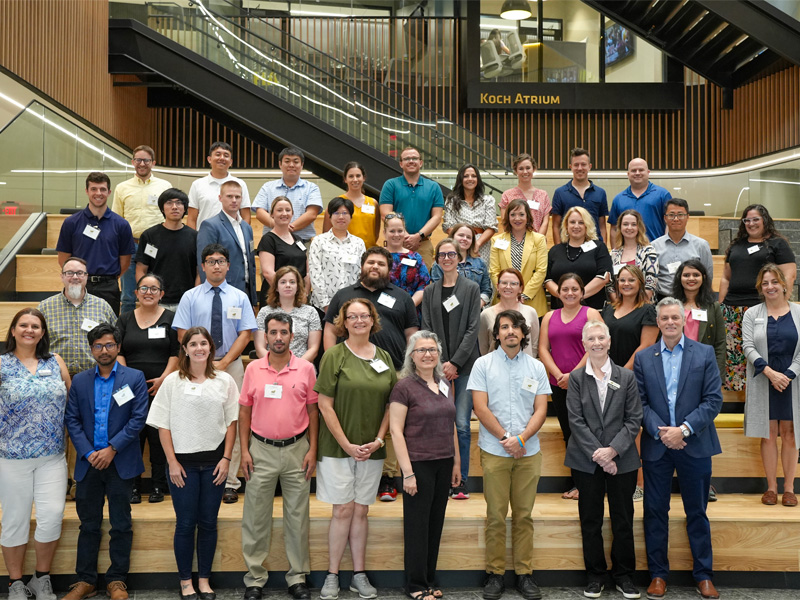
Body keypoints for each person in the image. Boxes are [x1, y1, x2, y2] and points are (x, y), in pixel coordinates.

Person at [633, 298, 723, 600]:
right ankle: (658, 575)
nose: (670, 323)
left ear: (683, 320)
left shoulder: (705, 353)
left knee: (697, 512)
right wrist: (663, 433)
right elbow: (640, 404)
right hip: (657, 447)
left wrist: (682, 430)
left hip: (694, 444)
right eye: (664, 318)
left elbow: (713, 400)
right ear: (657, 322)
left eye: (675, 317)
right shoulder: (645, 358)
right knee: (654, 511)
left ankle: (704, 575)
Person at [146, 326, 238, 600]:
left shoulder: (224, 381)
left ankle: (205, 580)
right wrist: (172, 463)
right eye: (193, 344)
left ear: (211, 348)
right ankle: (186, 581)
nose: (199, 348)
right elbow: (162, 426)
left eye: (204, 343)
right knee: (186, 523)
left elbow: (232, 422)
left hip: (214, 464)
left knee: (209, 523)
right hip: (182, 467)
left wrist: (226, 458)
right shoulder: (173, 381)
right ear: (184, 349)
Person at [315, 299, 396, 600]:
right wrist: (347, 445)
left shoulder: (385, 357)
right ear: (344, 322)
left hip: (372, 448)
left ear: (373, 320)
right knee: (343, 510)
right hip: (338, 449)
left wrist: (378, 439)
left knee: (361, 510)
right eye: (353, 317)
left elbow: (391, 404)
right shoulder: (334, 356)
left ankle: (358, 575)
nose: (359, 321)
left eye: (364, 316)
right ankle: (333, 575)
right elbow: (325, 405)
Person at [323, 247, 419, 501]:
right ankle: (351, 459)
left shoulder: (402, 297)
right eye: (370, 262)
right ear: (362, 266)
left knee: (391, 422)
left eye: (381, 264)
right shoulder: (344, 295)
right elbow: (331, 331)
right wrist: (332, 360)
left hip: (395, 370)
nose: (375, 267)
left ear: (389, 270)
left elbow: (412, 336)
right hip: (349, 369)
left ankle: (387, 478)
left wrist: (410, 371)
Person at [63, 323, 149, 600]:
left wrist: (112, 449)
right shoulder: (80, 381)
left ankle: (116, 580)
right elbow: (72, 421)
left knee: (121, 523)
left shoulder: (134, 377)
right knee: (88, 524)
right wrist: (89, 453)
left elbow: (138, 419)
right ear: (91, 350)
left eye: (109, 344)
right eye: (98, 346)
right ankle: (85, 580)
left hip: (120, 461)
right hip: (89, 463)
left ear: (118, 347)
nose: (104, 350)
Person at [469, 310, 549, 600]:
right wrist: (506, 438)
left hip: (529, 452)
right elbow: (480, 407)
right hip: (495, 450)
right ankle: (495, 574)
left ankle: (525, 574)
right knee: (495, 515)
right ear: (497, 333)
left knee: (524, 515)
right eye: (504, 327)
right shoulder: (483, 365)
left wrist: (522, 438)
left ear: (523, 333)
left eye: (515, 327)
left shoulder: (537, 367)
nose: (510, 331)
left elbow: (541, 409)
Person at [239, 313, 319, 600]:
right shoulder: (253, 370)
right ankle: (254, 579)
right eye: (273, 332)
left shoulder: (307, 369)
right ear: (266, 335)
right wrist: (244, 451)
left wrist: (313, 448)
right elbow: (244, 411)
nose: (278, 338)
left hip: (298, 449)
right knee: (255, 516)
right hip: (260, 450)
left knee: (297, 516)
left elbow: (313, 411)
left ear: (292, 335)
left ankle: (297, 577)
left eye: (283, 332)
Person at [172, 244, 258, 504]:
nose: (216, 265)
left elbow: (246, 333)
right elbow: (182, 334)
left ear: (228, 265)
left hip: (230, 367)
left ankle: (231, 481)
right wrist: (205, 362)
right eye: (211, 261)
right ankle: (201, 475)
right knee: (201, 418)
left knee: (235, 420)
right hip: (196, 367)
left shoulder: (240, 297)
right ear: (203, 266)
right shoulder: (190, 296)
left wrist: (224, 362)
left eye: (221, 261)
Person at [564, 320, 642, 600]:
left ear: (609, 342)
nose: (596, 343)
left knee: (623, 519)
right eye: (591, 339)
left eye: (601, 338)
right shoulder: (575, 379)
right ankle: (595, 575)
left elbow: (634, 420)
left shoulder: (626, 377)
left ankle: (624, 576)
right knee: (590, 519)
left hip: (622, 459)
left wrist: (613, 452)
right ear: (583, 344)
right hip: (586, 460)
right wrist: (599, 454)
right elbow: (575, 420)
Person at [0, 308, 70, 600]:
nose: (30, 330)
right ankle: (15, 582)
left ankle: (41, 578)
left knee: (52, 515)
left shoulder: (54, 361)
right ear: (13, 330)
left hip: (52, 456)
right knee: (15, 519)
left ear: (43, 332)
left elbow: (71, 398)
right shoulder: (1, 364)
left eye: (36, 326)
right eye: (24, 325)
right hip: (11, 457)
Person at [389, 331, 460, 600]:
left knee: (435, 524)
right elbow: (396, 431)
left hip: (444, 463)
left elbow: (452, 423)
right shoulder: (404, 387)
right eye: (421, 350)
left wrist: (456, 462)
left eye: (432, 349)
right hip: (418, 464)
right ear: (411, 356)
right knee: (417, 527)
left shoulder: (444, 384)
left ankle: (430, 578)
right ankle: (416, 584)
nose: (427, 354)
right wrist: (407, 473)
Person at [421, 238, 481, 499]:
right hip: (436, 368)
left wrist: (455, 362)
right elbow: (426, 329)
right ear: (436, 259)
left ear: (459, 257)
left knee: (462, 424)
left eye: (451, 254)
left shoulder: (471, 288)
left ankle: (462, 481)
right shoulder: (430, 291)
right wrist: (442, 363)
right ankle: (444, 478)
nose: (447, 258)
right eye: (442, 255)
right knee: (440, 423)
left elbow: (472, 328)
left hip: (465, 366)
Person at [116, 273, 180, 504]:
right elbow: (118, 351)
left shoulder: (171, 318)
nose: (148, 293)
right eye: (144, 288)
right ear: (136, 293)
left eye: (154, 289)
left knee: (157, 436)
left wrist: (164, 378)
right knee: (133, 436)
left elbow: (176, 352)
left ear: (162, 294)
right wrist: (128, 379)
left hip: (161, 388)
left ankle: (157, 485)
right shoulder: (124, 319)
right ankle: (133, 486)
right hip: (130, 390)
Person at [720, 204, 797, 391]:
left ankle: (765, 391)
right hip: (732, 310)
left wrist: (778, 303)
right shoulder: (736, 245)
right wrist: (721, 304)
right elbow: (725, 277)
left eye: (756, 219)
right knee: (735, 356)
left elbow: (789, 275)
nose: (751, 223)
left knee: (760, 353)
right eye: (747, 220)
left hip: (762, 308)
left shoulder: (778, 244)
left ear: (765, 220)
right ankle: (738, 400)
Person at [539, 274, 602, 500]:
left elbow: (598, 345)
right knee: (569, 433)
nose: (570, 293)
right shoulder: (549, 316)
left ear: (582, 292)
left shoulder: (591, 314)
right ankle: (579, 482)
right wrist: (557, 374)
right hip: (558, 384)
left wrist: (573, 374)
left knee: (589, 432)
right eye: (565, 289)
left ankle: (594, 481)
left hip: (586, 382)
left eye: (575, 289)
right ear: (558, 292)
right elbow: (543, 349)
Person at [742, 264, 800, 507]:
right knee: (767, 434)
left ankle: (789, 489)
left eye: (774, 282)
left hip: (792, 381)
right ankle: (771, 488)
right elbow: (747, 346)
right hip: (763, 378)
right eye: (765, 283)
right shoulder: (752, 313)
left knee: (790, 434)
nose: (770, 286)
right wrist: (769, 372)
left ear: (784, 284)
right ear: (760, 288)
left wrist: (788, 374)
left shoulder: (798, 312)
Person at [56, 172, 136, 314]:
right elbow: (63, 259)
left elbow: (125, 261)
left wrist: (109, 278)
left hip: (108, 287)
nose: (98, 193)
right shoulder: (71, 223)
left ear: (109, 192)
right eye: (93, 189)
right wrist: (78, 276)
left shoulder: (121, 224)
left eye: (102, 189)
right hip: (78, 284)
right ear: (86, 191)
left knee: (108, 330)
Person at [111, 145, 172, 315]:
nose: (142, 163)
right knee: (128, 296)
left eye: (146, 160)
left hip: (157, 246)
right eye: (138, 160)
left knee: (157, 292)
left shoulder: (164, 186)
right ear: (133, 162)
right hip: (131, 246)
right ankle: (125, 336)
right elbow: (117, 219)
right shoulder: (122, 188)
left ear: (153, 162)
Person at [38, 256, 118, 377]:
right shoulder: (45, 307)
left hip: (94, 377)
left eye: (80, 273)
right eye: (69, 273)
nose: (75, 277)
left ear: (86, 276)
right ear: (62, 277)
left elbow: (116, 340)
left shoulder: (102, 306)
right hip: (55, 377)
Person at [379, 146, 444, 267]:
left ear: (421, 162)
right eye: (407, 158)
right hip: (396, 243)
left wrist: (418, 236)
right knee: (392, 280)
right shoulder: (390, 185)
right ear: (401, 163)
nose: (411, 161)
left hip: (423, 245)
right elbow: (385, 214)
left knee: (424, 283)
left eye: (414, 158)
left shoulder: (434, 187)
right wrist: (406, 236)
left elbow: (437, 216)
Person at [135, 188, 199, 311]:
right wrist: (146, 294)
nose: (174, 207)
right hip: (156, 301)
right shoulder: (149, 236)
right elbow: (141, 269)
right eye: (169, 203)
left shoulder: (195, 237)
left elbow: (199, 272)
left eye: (179, 203)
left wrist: (194, 297)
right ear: (162, 208)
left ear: (185, 208)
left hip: (185, 302)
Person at [197, 180, 257, 306]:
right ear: (220, 198)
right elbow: (204, 262)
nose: (234, 200)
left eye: (237, 197)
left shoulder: (247, 227)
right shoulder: (210, 225)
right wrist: (211, 292)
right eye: (229, 196)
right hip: (221, 290)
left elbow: (250, 262)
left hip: (246, 290)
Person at [489, 198, 549, 318]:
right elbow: (494, 271)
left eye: (521, 214)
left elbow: (541, 271)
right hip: (504, 302)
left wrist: (524, 295)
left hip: (532, 302)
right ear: (507, 217)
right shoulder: (497, 240)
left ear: (528, 217)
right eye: (513, 215)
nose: (517, 218)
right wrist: (508, 293)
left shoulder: (539, 239)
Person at [545, 206, 612, 311]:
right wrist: (565, 297)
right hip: (560, 311)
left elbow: (604, 277)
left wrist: (576, 296)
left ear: (587, 226)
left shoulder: (599, 247)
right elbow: (547, 280)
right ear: (566, 225)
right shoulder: (555, 250)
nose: (576, 226)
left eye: (581, 222)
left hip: (593, 310)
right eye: (572, 222)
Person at [252, 147, 323, 245]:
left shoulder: (311, 188)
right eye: (287, 161)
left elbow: (312, 214)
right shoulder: (268, 187)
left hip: (302, 242)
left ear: (302, 165)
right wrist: (280, 227)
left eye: (296, 161)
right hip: (273, 241)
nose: (291, 165)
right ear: (280, 164)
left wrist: (288, 228)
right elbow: (260, 212)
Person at [308, 197, 367, 312]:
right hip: (322, 306)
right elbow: (315, 274)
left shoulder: (358, 243)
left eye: (345, 213)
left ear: (351, 217)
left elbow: (362, 274)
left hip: (352, 306)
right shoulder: (319, 241)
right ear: (329, 216)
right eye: (336, 213)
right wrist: (326, 305)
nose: (341, 217)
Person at [671, 260, 726, 380]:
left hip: (704, 366)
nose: (691, 278)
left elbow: (720, 343)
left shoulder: (713, 307)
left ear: (704, 278)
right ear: (680, 278)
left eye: (696, 275)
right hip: (675, 364)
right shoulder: (671, 306)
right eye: (686, 275)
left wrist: (718, 374)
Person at [254, 266, 321, 363]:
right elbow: (260, 349)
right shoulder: (265, 312)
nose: (288, 285)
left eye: (292, 282)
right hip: (271, 368)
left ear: (298, 286)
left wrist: (295, 366)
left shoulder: (310, 312)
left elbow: (313, 349)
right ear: (276, 287)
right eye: (283, 282)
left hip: (301, 368)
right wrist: (277, 365)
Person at [651, 198, 713, 301]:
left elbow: (708, 276)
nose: (676, 219)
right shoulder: (654, 246)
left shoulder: (701, 245)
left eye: (680, 215)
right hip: (663, 300)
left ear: (688, 217)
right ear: (665, 218)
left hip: (693, 301)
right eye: (671, 215)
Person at [256, 196, 310, 308]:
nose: (284, 213)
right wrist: (288, 295)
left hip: (299, 299)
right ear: (272, 214)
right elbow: (268, 273)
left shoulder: (298, 240)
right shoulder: (268, 240)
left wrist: (304, 293)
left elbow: (307, 273)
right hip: (276, 299)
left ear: (292, 213)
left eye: (288, 210)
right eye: (279, 210)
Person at [601, 265, 658, 370]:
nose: (626, 284)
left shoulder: (648, 310)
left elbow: (647, 345)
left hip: (634, 372)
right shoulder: (608, 309)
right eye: (622, 280)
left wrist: (623, 373)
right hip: (606, 371)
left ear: (640, 283)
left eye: (631, 280)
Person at [187, 141, 252, 230]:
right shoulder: (197, 184)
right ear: (209, 159)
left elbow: (246, 216)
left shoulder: (240, 184)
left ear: (231, 162)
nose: (222, 158)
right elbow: (191, 219)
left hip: (232, 238)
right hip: (205, 237)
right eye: (218, 154)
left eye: (226, 155)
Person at [441, 164, 497, 265]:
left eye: (474, 176)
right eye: (466, 176)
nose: (470, 179)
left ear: (478, 179)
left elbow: (491, 227)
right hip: (458, 245)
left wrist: (476, 245)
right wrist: (463, 243)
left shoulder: (488, 200)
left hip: (482, 245)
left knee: (480, 274)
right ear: (460, 179)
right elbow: (448, 226)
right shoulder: (451, 200)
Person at [551, 148, 608, 244]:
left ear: (589, 166)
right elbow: (556, 226)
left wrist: (603, 249)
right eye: (576, 165)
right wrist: (558, 251)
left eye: (583, 164)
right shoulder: (560, 193)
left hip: (594, 248)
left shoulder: (600, 193)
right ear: (571, 167)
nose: (580, 168)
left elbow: (602, 226)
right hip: (568, 248)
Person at [608, 158, 672, 243]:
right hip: (628, 252)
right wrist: (616, 252)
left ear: (648, 172)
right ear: (628, 174)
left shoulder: (663, 195)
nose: (637, 173)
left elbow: (670, 223)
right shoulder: (618, 199)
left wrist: (664, 247)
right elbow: (614, 229)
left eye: (641, 170)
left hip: (656, 251)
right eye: (634, 170)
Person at [479, 268, 539, 357]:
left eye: (513, 284)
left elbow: (534, 345)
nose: (508, 286)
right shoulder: (486, 314)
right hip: (495, 367)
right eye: (504, 283)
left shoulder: (530, 312)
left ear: (520, 288)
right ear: (498, 287)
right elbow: (484, 347)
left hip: (524, 367)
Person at [432, 223, 493, 308]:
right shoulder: (440, 263)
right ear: (452, 237)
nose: (464, 239)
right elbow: (439, 292)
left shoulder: (480, 263)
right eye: (461, 235)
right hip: (450, 311)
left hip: (475, 311)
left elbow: (486, 290)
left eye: (468, 237)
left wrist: (476, 307)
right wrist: (460, 310)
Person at [322, 161, 379, 249]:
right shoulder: (336, 203)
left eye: (358, 176)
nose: (355, 179)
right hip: (344, 252)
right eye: (351, 176)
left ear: (364, 178)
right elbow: (326, 233)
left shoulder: (373, 203)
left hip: (368, 253)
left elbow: (376, 233)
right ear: (345, 179)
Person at [606, 209, 658, 302]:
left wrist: (638, 308)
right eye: (625, 224)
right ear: (620, 227)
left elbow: (651, 283)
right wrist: (619, 306)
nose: (629, 227)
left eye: (634, 224)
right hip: (618, 307)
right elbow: (610, 284)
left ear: (639, 227)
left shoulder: (649, 251)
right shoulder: (613, 254)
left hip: (643, 306)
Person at [384, 213, 431, 308]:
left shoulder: (415, 257)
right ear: (384, 233)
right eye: (392, 231)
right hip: (383, 312)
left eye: (400, 231)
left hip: (410, 310)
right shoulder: (377, 256)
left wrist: (409, 306)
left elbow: (424, 284)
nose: (396, 235)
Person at [499, 153, 551, 237]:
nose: (525, 172)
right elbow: (505, 222)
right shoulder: (507, 195)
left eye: (528, 168)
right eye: (521, 169)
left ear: (534, 169)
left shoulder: (543, 195)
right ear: (516, 171)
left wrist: (537, 241)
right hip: (515, 243)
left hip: (538, 243)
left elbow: (545, 222)